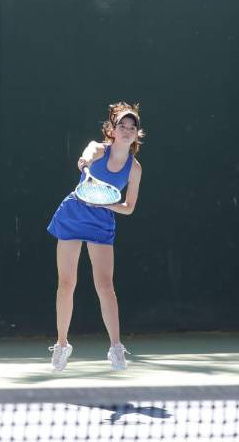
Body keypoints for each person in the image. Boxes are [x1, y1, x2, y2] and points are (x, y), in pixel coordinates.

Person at [47, 102, 145, 371]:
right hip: (74, 212)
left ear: (137, 133)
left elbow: (128, 207)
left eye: (131, 127)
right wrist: (84, 160)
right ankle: (62, 344)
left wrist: (105, 204)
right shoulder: (99, 149)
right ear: (112, 130)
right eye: (121, 126)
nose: (126, 130)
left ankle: (115, 348)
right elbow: (88, 152)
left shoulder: (134, 169)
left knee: (105, 286)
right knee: (66, 283)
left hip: (101, 221)